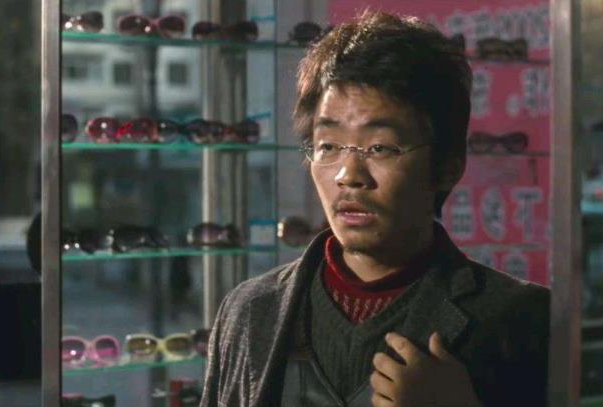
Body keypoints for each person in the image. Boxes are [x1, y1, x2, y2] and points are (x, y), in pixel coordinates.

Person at [200, 10, 549, 407]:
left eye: (380, 147)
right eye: (328, 146)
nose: (348, 175)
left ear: (447, 167)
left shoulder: (521, 320)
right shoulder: (250, 311)